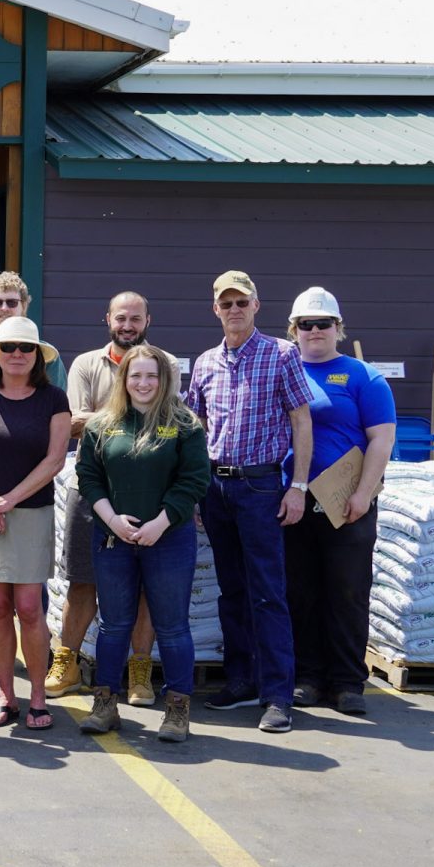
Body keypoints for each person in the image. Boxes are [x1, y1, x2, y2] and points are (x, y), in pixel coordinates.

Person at [185, 270, 315, 734]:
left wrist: (297, 486)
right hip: (216, 488)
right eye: (226, 303)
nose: (234, 310)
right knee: (231, 590)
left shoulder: (282, 355)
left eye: (242, 302)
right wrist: (194, 489)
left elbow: (301, 421)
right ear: (215, 309)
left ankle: (277, 694)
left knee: (267, 592)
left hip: (262, 487)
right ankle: (240, 679)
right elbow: (194, 427)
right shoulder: (204, 363)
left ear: (257, 306)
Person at [75, 345, 210, 742]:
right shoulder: (103, 424)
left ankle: (177, 709)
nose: (144, 383)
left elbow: (194, 480)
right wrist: (113, 520)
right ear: (124, 379)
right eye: (136, 375)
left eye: (152, 375)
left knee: (171, 628)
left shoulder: (184, 425)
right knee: (114, 625)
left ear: (164, 379)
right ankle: (104, 703)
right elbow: (89, 477)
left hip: (168, 539)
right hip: (113, 539)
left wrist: (160, 522)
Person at [49, 292, 177, 704]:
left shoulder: (166, 364)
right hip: (90, 490)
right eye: (120, 317)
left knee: (143, 588)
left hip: (146, 491)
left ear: (148, 320)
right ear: (107, 319)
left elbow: (168, 418)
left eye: (135, 318)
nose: (127, 325)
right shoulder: (87, 364)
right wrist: (131, 414)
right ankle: (67, 663)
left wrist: (102, 419)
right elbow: (73, 421)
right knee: (82, 581)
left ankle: (139, 673)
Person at [282, 287, 395, 716]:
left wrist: (364, 493)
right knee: (301, 591)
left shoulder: (364, 377)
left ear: (337, 328)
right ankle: (308, 677)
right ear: (293, 330)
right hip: (295, 499)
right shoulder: (284, 371)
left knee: (347, 592)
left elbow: (381, 440)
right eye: (305, 324)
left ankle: (348, 681)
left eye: (322, 324)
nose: (314, 331)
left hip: (347, 502)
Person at [0, 316, 71, 730]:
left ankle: (38, 698)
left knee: (28, 607)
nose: (17, 354)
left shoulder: (53, 398)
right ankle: (7, 696)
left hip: (30, 513)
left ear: (37, 355)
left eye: (25, 348)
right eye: (8, 347)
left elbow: (55, 460)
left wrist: (8, 501)